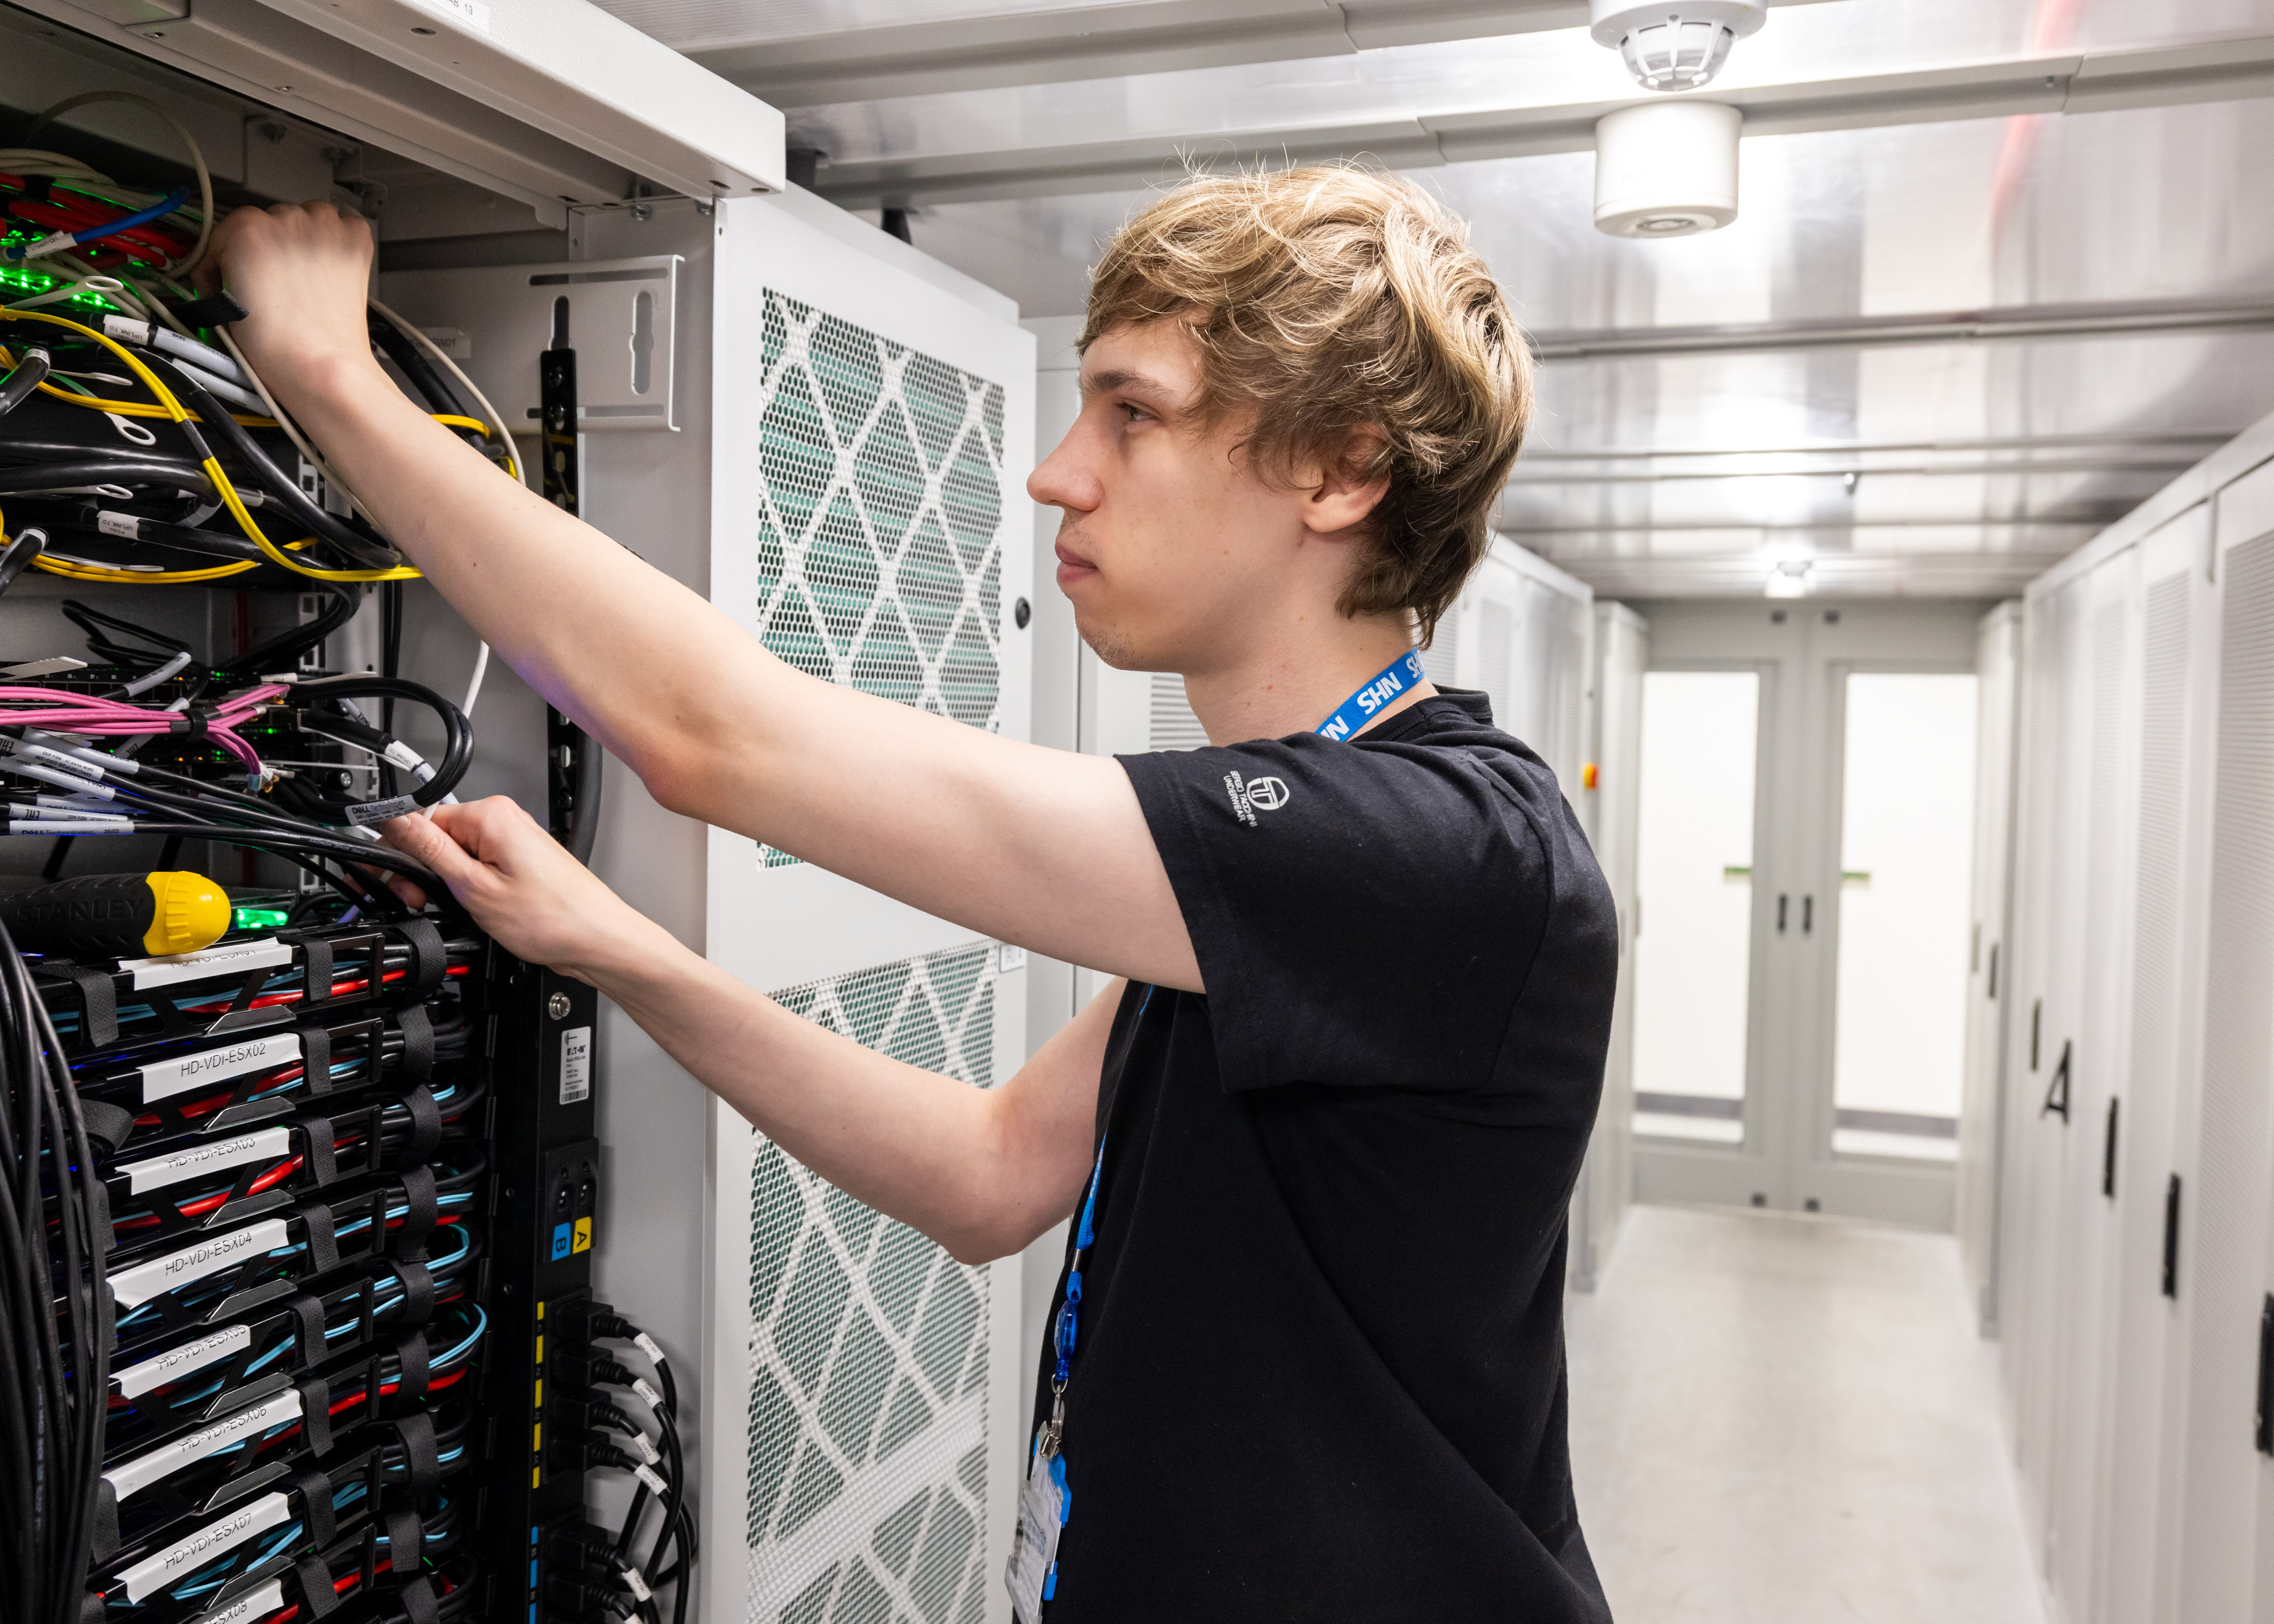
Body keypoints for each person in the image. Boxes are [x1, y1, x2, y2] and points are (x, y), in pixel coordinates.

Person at [203, 162, 1616, 1622]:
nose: (1058, 470)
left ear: (1339, 471)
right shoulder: (1299, 872)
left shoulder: (1443, 850)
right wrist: (618, 949)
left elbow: (716, 738)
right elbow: (990, 1173)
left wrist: (325, 370)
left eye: (1133, 413)